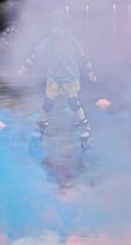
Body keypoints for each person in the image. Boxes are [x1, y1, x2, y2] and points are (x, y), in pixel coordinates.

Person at [17, 9, 97, 149]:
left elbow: (84, 57)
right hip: (54, 78)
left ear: (67, 28)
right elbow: (34, 55)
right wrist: (24, 68)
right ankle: (40, 127)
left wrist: (90, 71)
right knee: (48, 103)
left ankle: (84, 125)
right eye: (54, 27)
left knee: (73, 101)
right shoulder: (48, 43)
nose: (56, 30)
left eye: (60, 27)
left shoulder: (73, 42)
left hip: (70, 77)